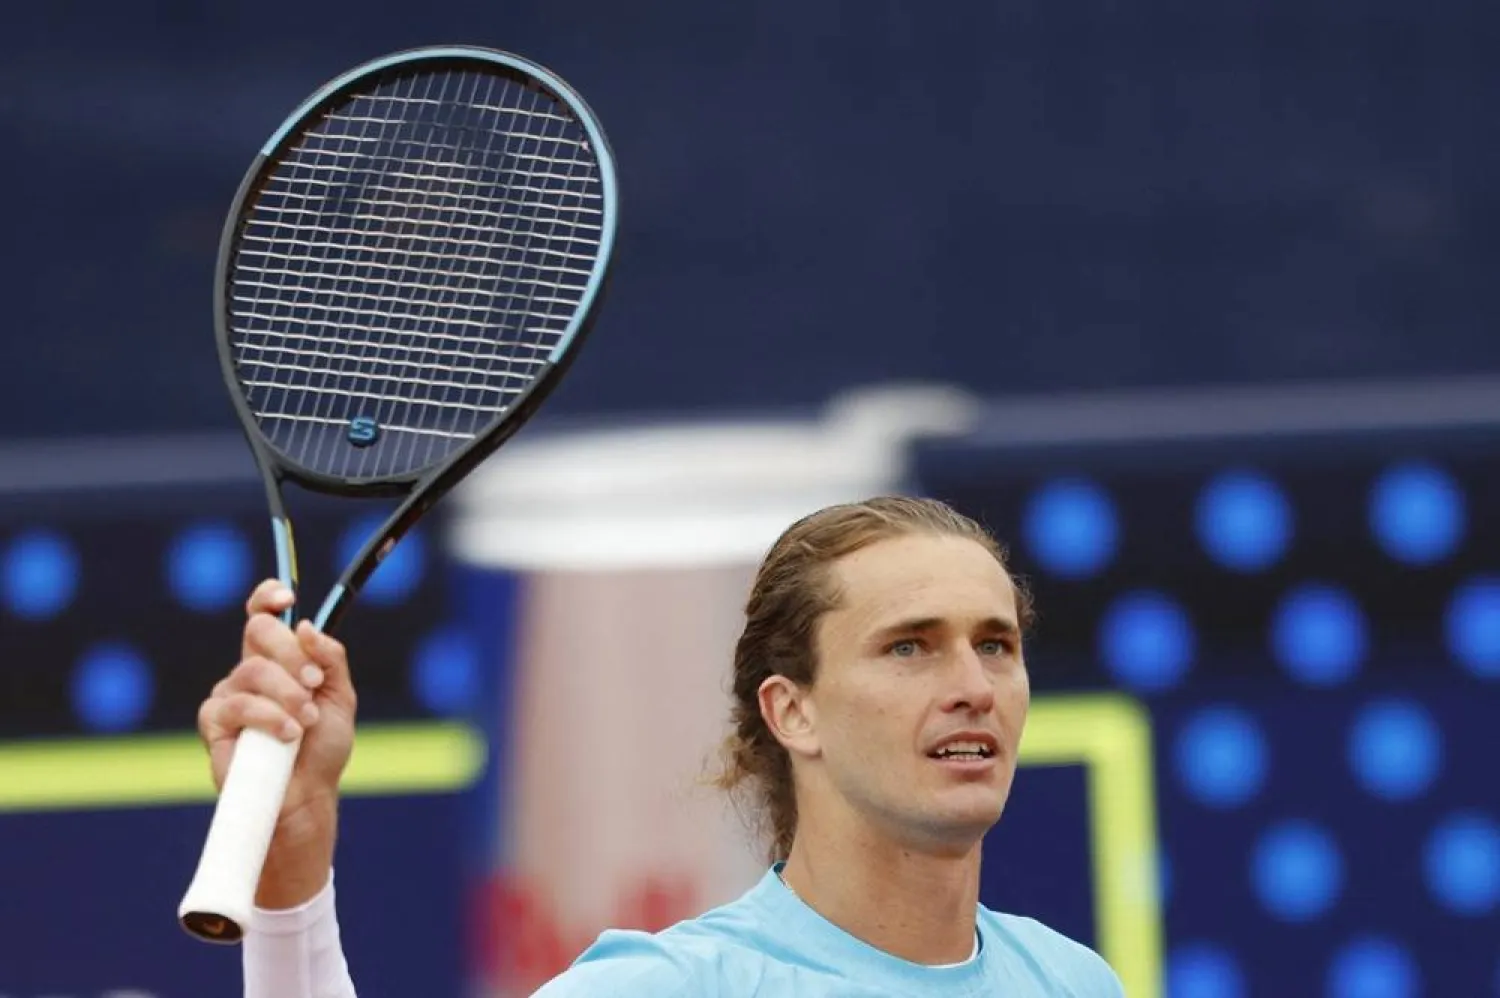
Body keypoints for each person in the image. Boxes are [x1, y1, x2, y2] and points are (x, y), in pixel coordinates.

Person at [199, 495, 1126, 996]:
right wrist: (292, 871)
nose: (973, 687)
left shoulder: (1073, 982)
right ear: (792, 712)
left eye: (995, 645)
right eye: (909, 647)